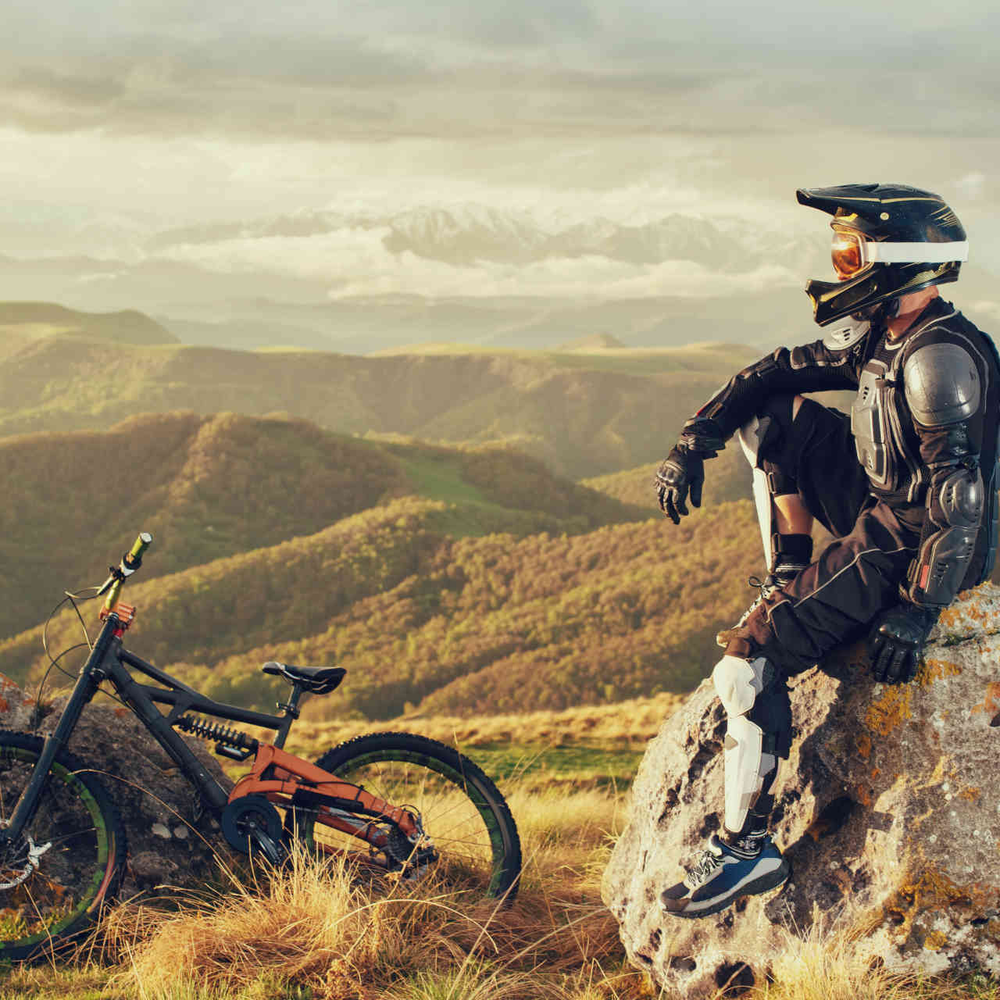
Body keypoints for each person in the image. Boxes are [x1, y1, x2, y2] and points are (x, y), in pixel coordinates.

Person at [653, 183, 1000, 919]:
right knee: (775, 419)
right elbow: (772, 373)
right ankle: (790, 572)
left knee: (745, 665)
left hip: (911, 539)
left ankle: (745, 850)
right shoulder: (889, 334)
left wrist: (918, 608)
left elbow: (957, 500)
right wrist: (695, 441)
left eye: (851, 252)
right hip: (884, 497)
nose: (840, 267)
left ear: (899, 262)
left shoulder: (937, 357)